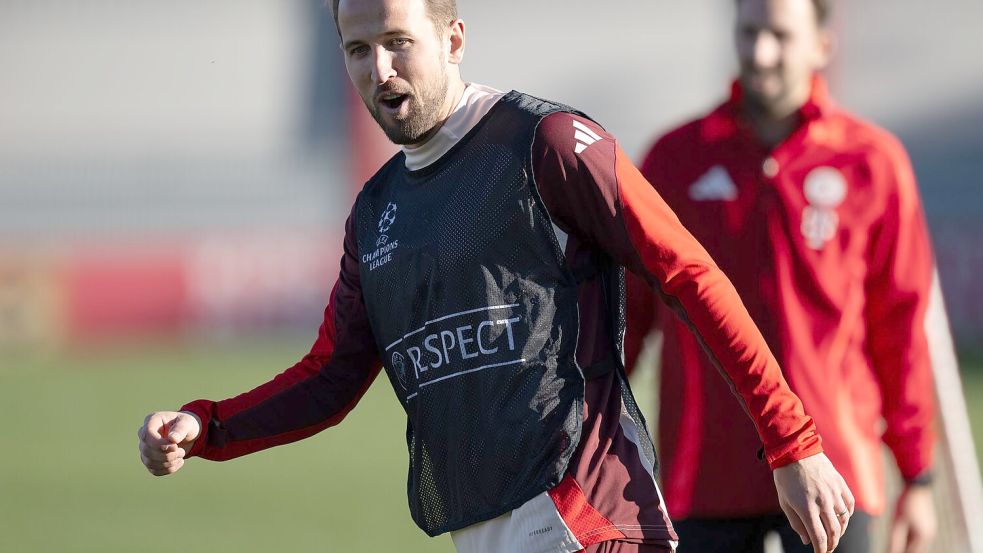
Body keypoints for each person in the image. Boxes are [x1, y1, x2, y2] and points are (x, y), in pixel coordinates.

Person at [137, 1, 854, 552]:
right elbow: (330, 376)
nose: (378, 69)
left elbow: (688, 272)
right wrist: (207, 423)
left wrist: (791, 442)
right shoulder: (376, 210)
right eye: (357, 49)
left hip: (588, 519)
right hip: (481, 527)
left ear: (452, 40)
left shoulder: (546, 145)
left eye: (397, 43)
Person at [626, 0, 937, 552]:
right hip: (704, 475)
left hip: (836, 473)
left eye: (779, 35)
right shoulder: (675, 160)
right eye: (748, 33)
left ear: (822, 44)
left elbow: (901, 328)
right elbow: (626, 316)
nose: (760, 53)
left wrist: (918, 477)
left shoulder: (873, 163)